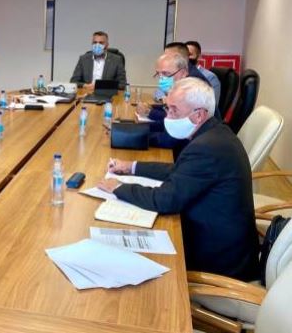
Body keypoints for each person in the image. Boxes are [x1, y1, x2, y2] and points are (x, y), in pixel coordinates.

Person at [97, 78, 259, 281]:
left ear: (198, 115)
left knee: (125, 262)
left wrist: (118, 188)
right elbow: (179, 170)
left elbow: (165, 200)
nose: (167, 117)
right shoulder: (215, 133)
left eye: (174, 111)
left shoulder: (206, 148)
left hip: (217, 266)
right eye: (168, 109)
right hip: (222, 243)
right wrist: (131, 167)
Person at [185, 40, 221, 107]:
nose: (186, 58)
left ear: (199, 57)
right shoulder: (180, 74)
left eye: (190, 55)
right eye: (184, 55)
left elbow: (212, 106)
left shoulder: (210, 78)